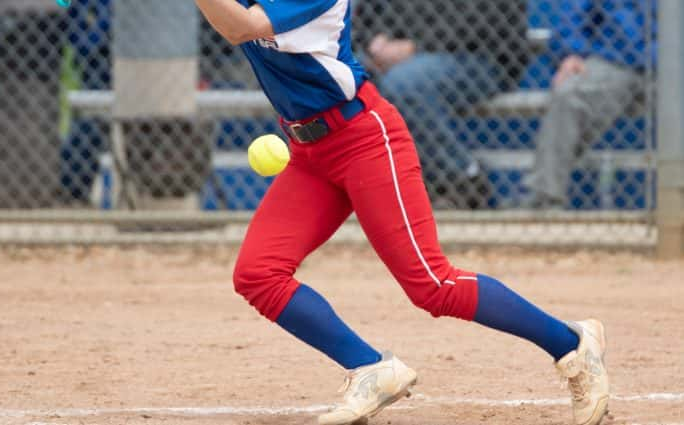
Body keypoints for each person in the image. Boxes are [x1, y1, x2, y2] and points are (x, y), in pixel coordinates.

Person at [194, 1, 609, 424]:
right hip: (308, 153)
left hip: (365, 141)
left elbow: (240, 27)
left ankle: (571, 344)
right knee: (257, 273)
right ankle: (371, 368)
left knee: (434, 285)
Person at [352, 0, 530, 209]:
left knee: (406, 83)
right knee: (344, 74)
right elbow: (370, 12)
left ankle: (463, 178)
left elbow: (483, 23)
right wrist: (376, 39)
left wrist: (415, 46)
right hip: (406, 56)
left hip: (477, 57)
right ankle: (371, 187)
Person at [525, 0, 656, 208]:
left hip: (674, 63)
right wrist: (570, 53)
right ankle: (544, 200)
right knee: (568, 95)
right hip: (617, 61)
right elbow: (573, 15)